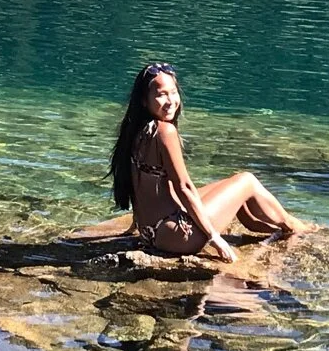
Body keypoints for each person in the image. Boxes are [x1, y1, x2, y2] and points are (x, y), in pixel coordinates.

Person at [107, 62, 309, 263]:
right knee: (246, 180)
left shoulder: (136, 130)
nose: (170, 101)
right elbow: (183, 187)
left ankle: (268, 228)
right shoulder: (164, 132)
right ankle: (293, 226)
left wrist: (135, 227)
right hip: (177, 237)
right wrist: (214, 238)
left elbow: (142, 186)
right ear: (144, 100)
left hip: (150, 231)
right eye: (161, 94)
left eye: (173, 92)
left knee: (230, 186)